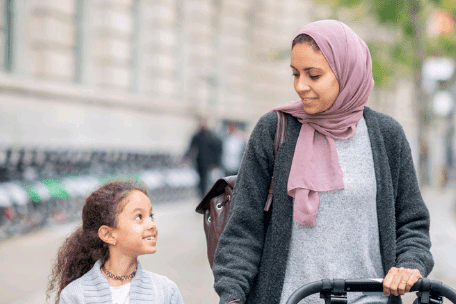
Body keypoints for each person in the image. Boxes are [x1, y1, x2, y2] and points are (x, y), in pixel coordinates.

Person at [212, 20, 434, 304]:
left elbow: (412, 222)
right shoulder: (274, 130)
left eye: (313, 75)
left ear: (346, 72)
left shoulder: (387, 136)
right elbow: (243, 229)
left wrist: (410, 265)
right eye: (295, 74)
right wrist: (231, 295)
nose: (301, 86)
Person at [47, 180, 184, 304]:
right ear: (108, 234)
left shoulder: (166, 291)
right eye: (139, 217)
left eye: (151, 216)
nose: (152, 225)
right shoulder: (74, 296)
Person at [184, 117, 223, 199]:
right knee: (201, 181)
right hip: (200, 162)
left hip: (209, 163)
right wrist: (186, 158)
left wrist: (216, 163)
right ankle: (202, 196)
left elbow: (217, 150)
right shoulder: (197, 135)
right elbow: (191, 147)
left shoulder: (212, 136)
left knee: (208, 181)